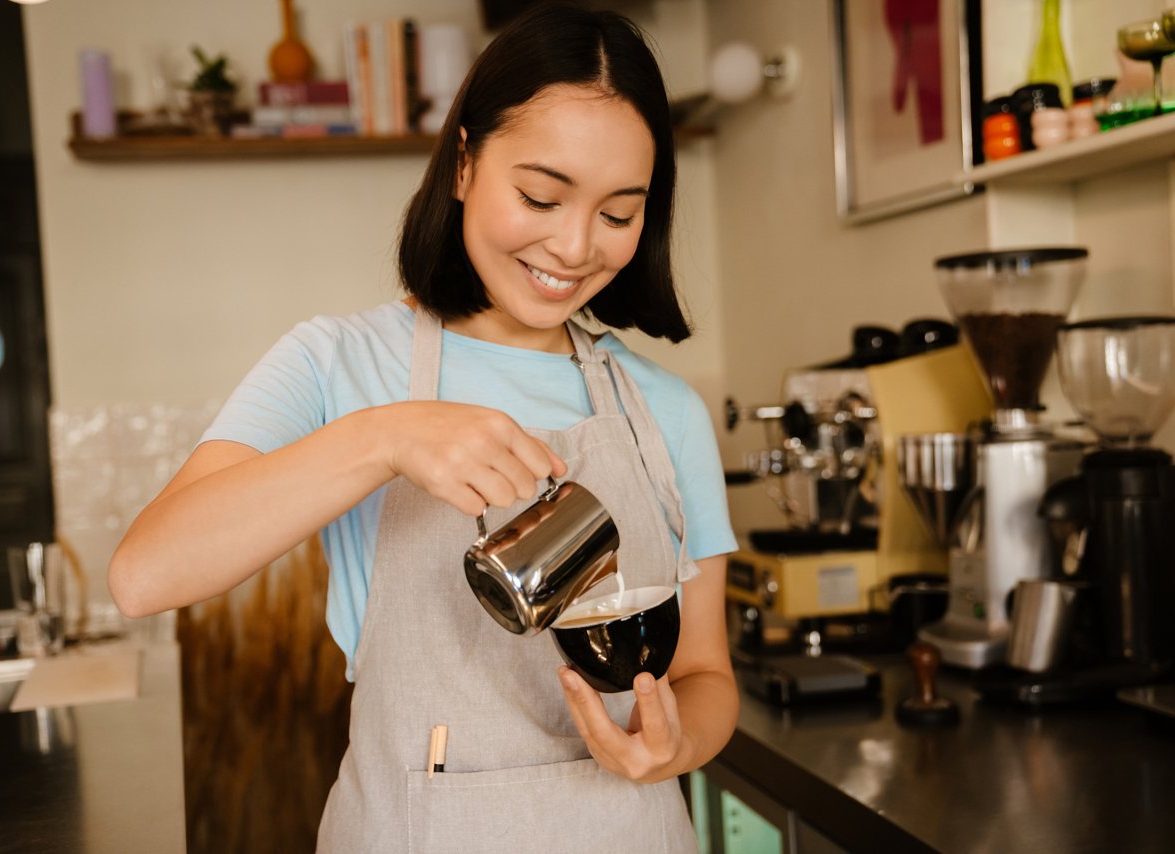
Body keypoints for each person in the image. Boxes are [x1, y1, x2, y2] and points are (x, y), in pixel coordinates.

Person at [109, 3, 739, 851]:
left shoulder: (664, 410)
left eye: (619, 214)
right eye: (540, 196)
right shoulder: (337, 364)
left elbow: (705, 674)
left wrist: (677, 744)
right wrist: (383, 439)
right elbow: (145, 575)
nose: (575, 245)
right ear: (465, 165)